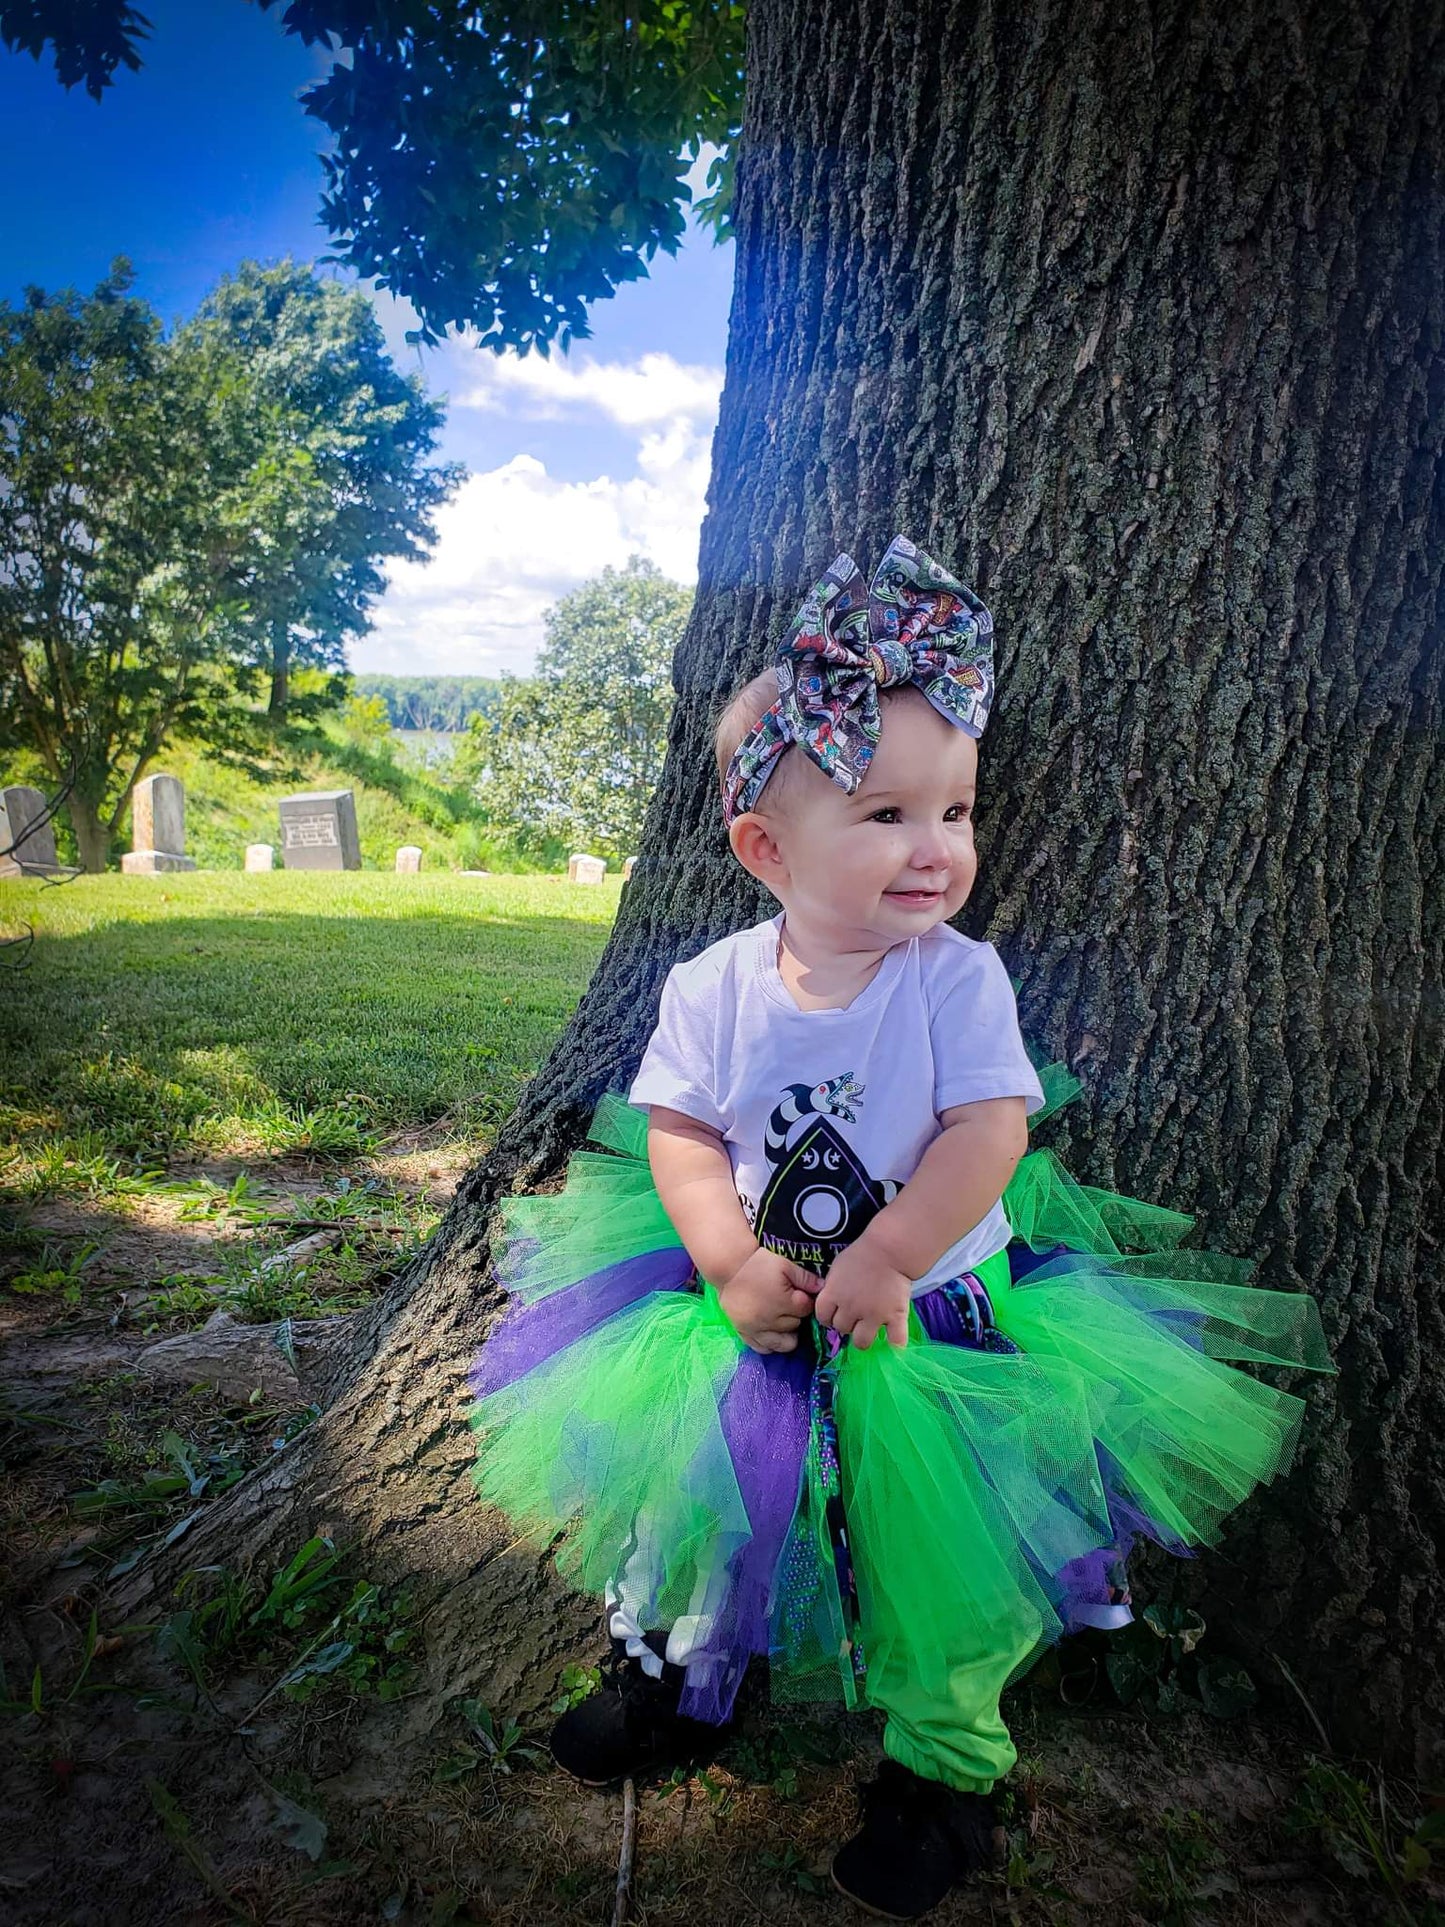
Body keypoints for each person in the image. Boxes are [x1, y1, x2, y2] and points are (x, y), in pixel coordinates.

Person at [469, 535, 1333, 1920]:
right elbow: (681, 1136)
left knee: (948, 1572)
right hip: (749, 1321)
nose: (934, 849)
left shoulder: (954, 978)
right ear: (765, 847)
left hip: (932, 1328)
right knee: (702, 1520)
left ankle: (943, 1770)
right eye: (882, 816)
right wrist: (726, 1258)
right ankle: (683, 1679)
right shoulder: (710, 985)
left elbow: (988, 1132)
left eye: (955, 811)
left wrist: (882, 1256)